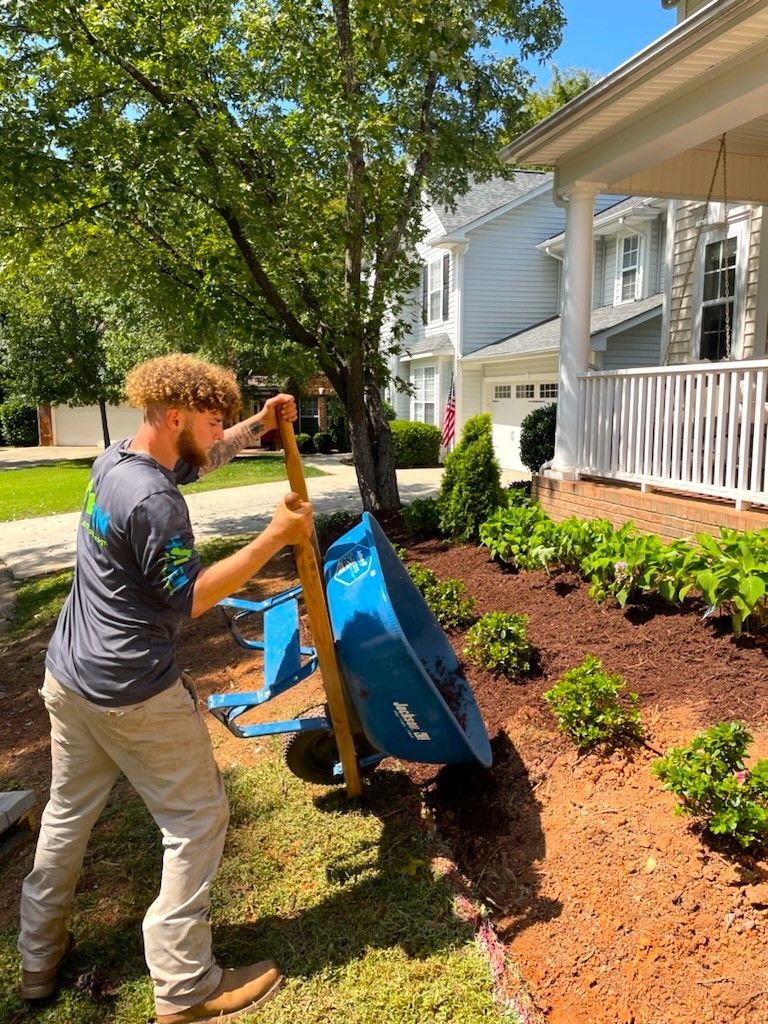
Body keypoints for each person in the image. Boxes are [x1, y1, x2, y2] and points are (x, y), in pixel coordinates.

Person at [17, 354, 314, 1024]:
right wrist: (275, 535)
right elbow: (192, 600)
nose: (215, 437)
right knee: (196, 819)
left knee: (68, 813)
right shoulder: (155, 502)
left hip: (69, 676)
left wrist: (256, 425)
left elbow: (197, 460)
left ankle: (38, 959)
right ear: (176, 416)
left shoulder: (116, 461)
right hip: (131, 691)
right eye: (211, 423)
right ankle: (184, 987)